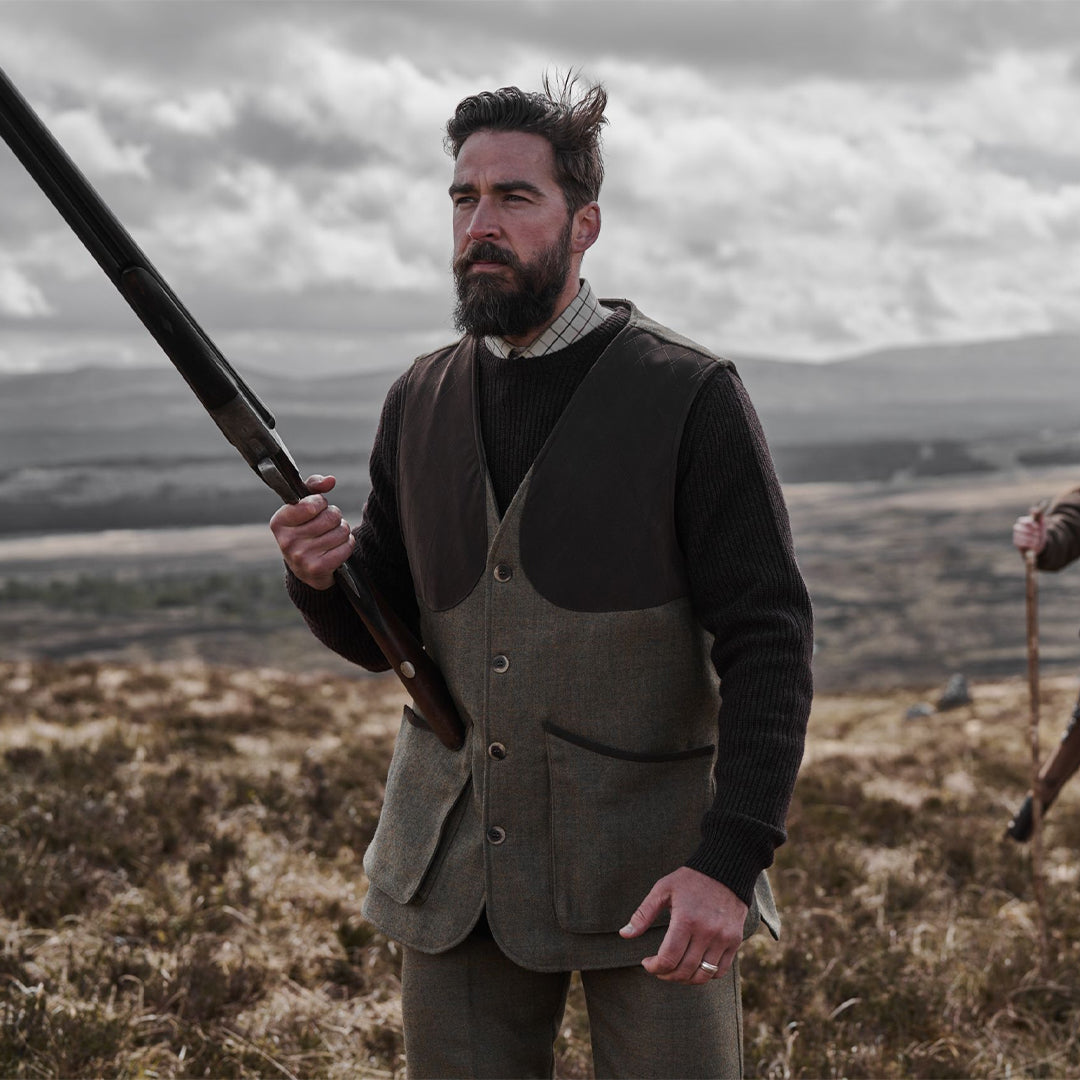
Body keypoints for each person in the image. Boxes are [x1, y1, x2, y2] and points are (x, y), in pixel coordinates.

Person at [270, 75, 813, 1079]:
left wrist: (728, 862)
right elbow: (383, 634)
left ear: (584, 224)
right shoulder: (418, 397)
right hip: (455, 866)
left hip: (654, 873)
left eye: (515, 197)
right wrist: (318, 578)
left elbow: (769, 641)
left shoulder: (691, 394)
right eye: (464, 197)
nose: (481, 223)